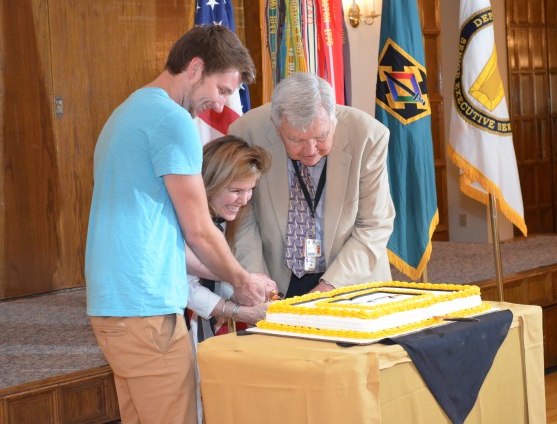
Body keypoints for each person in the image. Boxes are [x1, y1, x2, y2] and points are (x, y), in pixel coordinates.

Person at [85, 25, 272, 424]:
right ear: (195, 66)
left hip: (117, 306)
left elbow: (163, 239)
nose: (220, 104)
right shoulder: (172, 121)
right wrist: (241, 281)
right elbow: (199, 230)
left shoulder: (129, 111)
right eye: (221, 90)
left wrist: (242, 280)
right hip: (145, 308)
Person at [229, 72, 395, 299]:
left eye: (320, 137)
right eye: (296, 140)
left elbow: (373, 226)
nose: (310, 150)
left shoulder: (368, 137)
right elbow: (244, 221)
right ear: (277, 128)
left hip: (349, 278)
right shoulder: (247, 133)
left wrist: (329, 287)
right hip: (277, 278)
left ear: (333, 118)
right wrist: (257, 280)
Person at [186, 135, 274, 424]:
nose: (244, 200)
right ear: (209, 183)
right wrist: (238, 310)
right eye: (236, 190)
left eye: (250, 190)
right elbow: (183, 286)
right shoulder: (185, 223)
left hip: (206, 332)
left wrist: (250, 286)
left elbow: (217, 274)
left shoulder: (219, 220)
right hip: (178, 331)